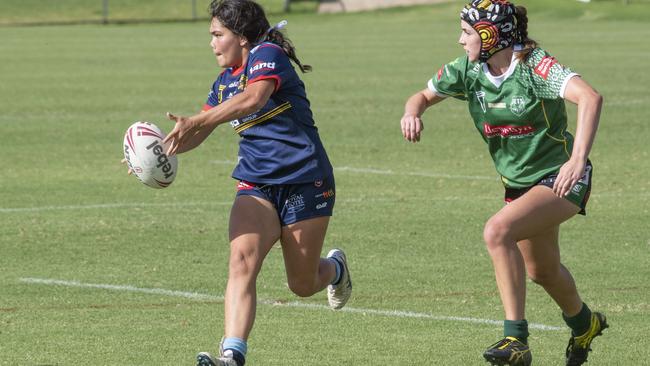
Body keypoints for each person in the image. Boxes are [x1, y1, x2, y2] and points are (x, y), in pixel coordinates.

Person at [400, 1, 606, 365]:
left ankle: (516, 340)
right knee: (541, 271)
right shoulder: (468, 69)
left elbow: (589, 97)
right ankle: (584, 323)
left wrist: (576, 160)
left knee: (497, 231)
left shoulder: (533, 65)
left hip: (561, 178)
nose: (460, 40)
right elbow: (422, 95)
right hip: (519, 185)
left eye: (466, 33)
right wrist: (412, 112)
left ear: (489, 35)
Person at [157, 1, 352, 365]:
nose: (212, 44)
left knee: (302, 284)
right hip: (255, 185)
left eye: (218, 35)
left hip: (305, 181)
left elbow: (254, 98)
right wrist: (156, 152)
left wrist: (200, 121)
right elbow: (200, 130)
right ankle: (232, 355)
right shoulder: (224, 82)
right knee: (240, 261)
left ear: (242, 37)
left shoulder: (268, 54)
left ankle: (336, 269)